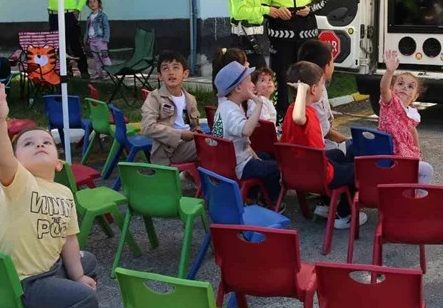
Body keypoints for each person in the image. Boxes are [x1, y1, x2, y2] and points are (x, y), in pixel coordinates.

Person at [0, 82, 98, 308]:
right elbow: (1, 157)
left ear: (59, 162)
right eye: (28, 143)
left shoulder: (64, 194)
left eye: (46, 142)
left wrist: (78, 274)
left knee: (87, 261)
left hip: (48, 270)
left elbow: (69, 240)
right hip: (26, 283)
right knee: (86, 298)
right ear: (17, 159)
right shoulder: (18, 182)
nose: (39, 145)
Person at [282, 61, 366, 229]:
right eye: (321, 84)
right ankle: (344, 214)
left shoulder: (290, 109)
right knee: (359, 170)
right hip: (317, 175)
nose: (323, 87)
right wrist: (301, 90)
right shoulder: (304, 114)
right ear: (312, 89)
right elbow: (300, 119)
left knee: (338, 155)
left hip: (295, 171)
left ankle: (326, 205)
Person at [257, 0, 327, 118]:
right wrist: (275, 11)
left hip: (307, 37)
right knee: (281, 77)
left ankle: (312, 114)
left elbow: (323, 0)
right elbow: (260, 6)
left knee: (309, 76)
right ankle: (281, 116)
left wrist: (310, 8)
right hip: (281, 38)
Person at [212, 61, 282, 206]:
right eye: (249, 81)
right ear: (238, 88)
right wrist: (259, 103)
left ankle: (251, 196)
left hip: (227, 161)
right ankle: (274, 202)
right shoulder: (232, 111)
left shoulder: (225, 107)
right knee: (275, 167)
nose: (252, 85)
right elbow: (246, 130)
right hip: (238, 165)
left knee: (263, 156)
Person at [378, 50, 434, 184]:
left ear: (415, 96)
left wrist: (418, 150)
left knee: (423, 168)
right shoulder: (390, 102)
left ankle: (413, 194)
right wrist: (389, 72)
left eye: (410, 87)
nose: (404, 88)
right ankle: (418, 200)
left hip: (404, 157)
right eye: (400, 84)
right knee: (427, 170)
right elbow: (383, 89)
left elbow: (413, 130)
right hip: (390, 155)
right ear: (393, 88)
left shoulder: (411, 113)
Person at [141, 50, 201, 166]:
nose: (171, 73)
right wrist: (180, 134)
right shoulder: (155, 98)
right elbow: (147, 127)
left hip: (188, 144)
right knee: (211, 147)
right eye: (165, 69)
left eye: (176, 68)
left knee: (217, 142)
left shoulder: (190, 99)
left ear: (185, 73)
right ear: (160, 76)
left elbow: (191, 124)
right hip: (168, 150)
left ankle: (191, 177)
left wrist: (197, 131)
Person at [34, 0, 89, 78]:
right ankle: (62, 71)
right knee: (57, 44)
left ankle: (84, 71)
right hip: (54, 15)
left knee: (74, 43)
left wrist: (78, 9)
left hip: (69, 15)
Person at [297, 39, 352, 156]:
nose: (334, 66)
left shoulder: (312, 87)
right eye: (332, 62)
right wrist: (349, 141)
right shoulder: (315, 96)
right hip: (323, 153)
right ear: (326, 68)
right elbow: (326, 132)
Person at [82, 0, 110, 80]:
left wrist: (106, 38)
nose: (92, 3)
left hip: (100, 39)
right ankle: (99, 73)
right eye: (90, 2)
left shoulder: (102, 16)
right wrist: (85, 38)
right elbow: (88, 29)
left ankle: (109, 73)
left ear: (99, 3)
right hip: (92, 40)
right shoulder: (89, 17)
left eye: (94, 1)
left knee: (104, 56)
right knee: (96, 58)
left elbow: (106, 27)